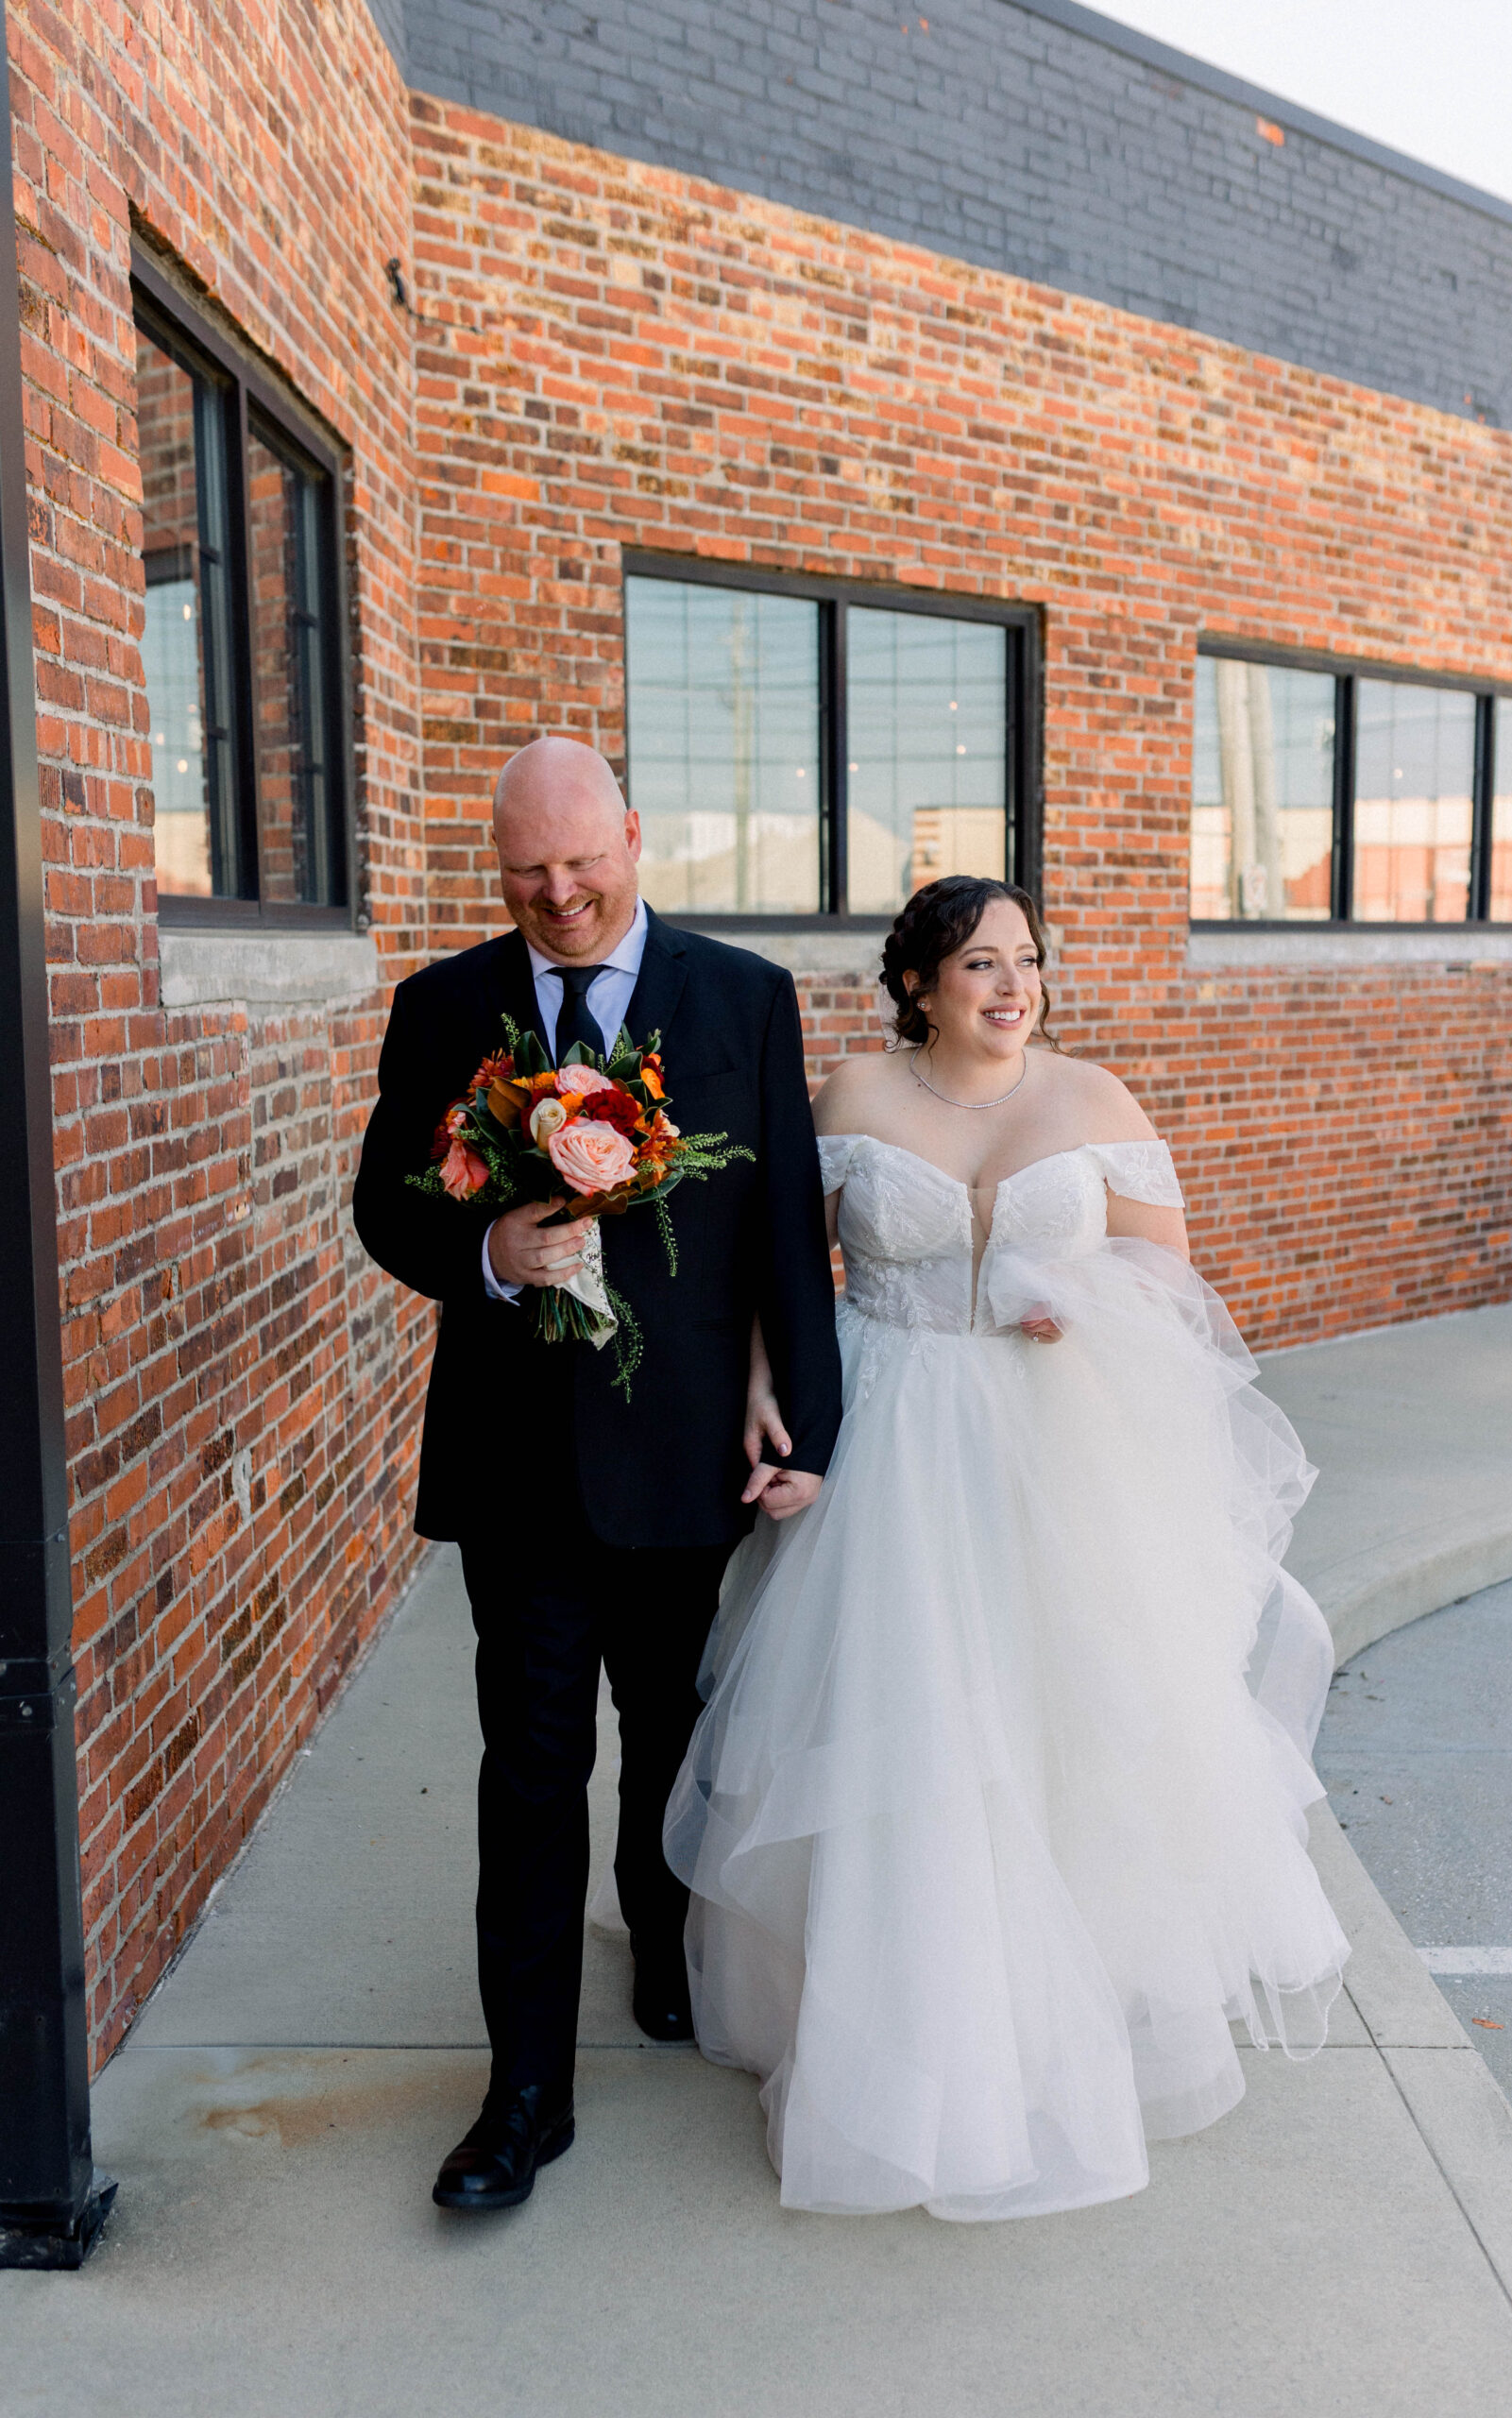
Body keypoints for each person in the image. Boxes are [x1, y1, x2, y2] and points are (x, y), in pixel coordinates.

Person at [666, 875, 1349, 2221]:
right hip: (893, 1441)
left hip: (1049, 1444)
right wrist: (764, 1391)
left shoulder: (1095, 1102)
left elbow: (1172, 1273)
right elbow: (784, 1276)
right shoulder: (855, 1095)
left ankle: (1054, 2019)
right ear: (917, 981)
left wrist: (1080, 1298)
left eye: (1025, 962)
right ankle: (900, 2024)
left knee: (1058, 1723)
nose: (1011, 987)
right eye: (979, 964)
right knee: (907, 1726)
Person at [352, 737, 841, 2215]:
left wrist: (805, 1424)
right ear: (494, 869)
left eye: (582, 862)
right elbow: (385, 1200)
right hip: (519, 1467)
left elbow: (781, 1232)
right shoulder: (445, 1007)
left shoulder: (744, 1000)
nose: (558, 895)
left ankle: (664, 1938)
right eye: (525, 873)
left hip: (692, 1453)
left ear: (633, 836)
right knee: (531, 1770)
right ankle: (523, 2097)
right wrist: (488, 1253)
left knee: (679, 1734)